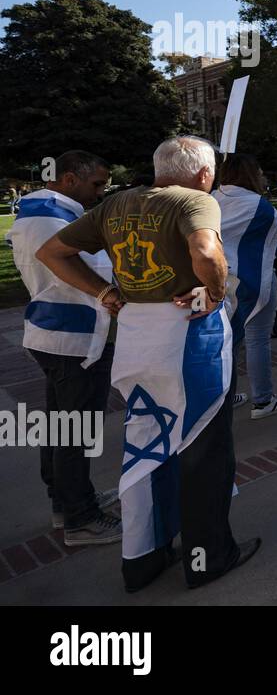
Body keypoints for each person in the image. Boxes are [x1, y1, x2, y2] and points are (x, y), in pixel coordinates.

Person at [39, 136, 259, 591]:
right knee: (203, 450)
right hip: (188, 337)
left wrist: (105, 293)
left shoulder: (115, 204)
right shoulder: (196, 200)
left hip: (137, 336)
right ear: (203, 174)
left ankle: (142, 558)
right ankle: (207, 558)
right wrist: (215, 291)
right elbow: (205, 252)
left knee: (145, 448)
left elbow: (53, 253)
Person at [7, 151, 120, 546]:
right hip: (73, 335)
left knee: (61, 427)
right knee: (76, 431)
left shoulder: (38, 211)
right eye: (97, 184)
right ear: (69, 179)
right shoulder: (54, 217)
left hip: (52, 332)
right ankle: (81, 518)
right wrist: (110, 290)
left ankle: (67, 501)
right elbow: (96, 267)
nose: (101, 191)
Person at [215, 154, 277, 418]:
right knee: (257, 339)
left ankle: (225, 395)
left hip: (219, 279)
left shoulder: (210, 200)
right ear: (250, 174)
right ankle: (263, 399)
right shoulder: (260, 206)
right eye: (260, 172)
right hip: (255, 277)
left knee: (227, 342)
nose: (263, 177)